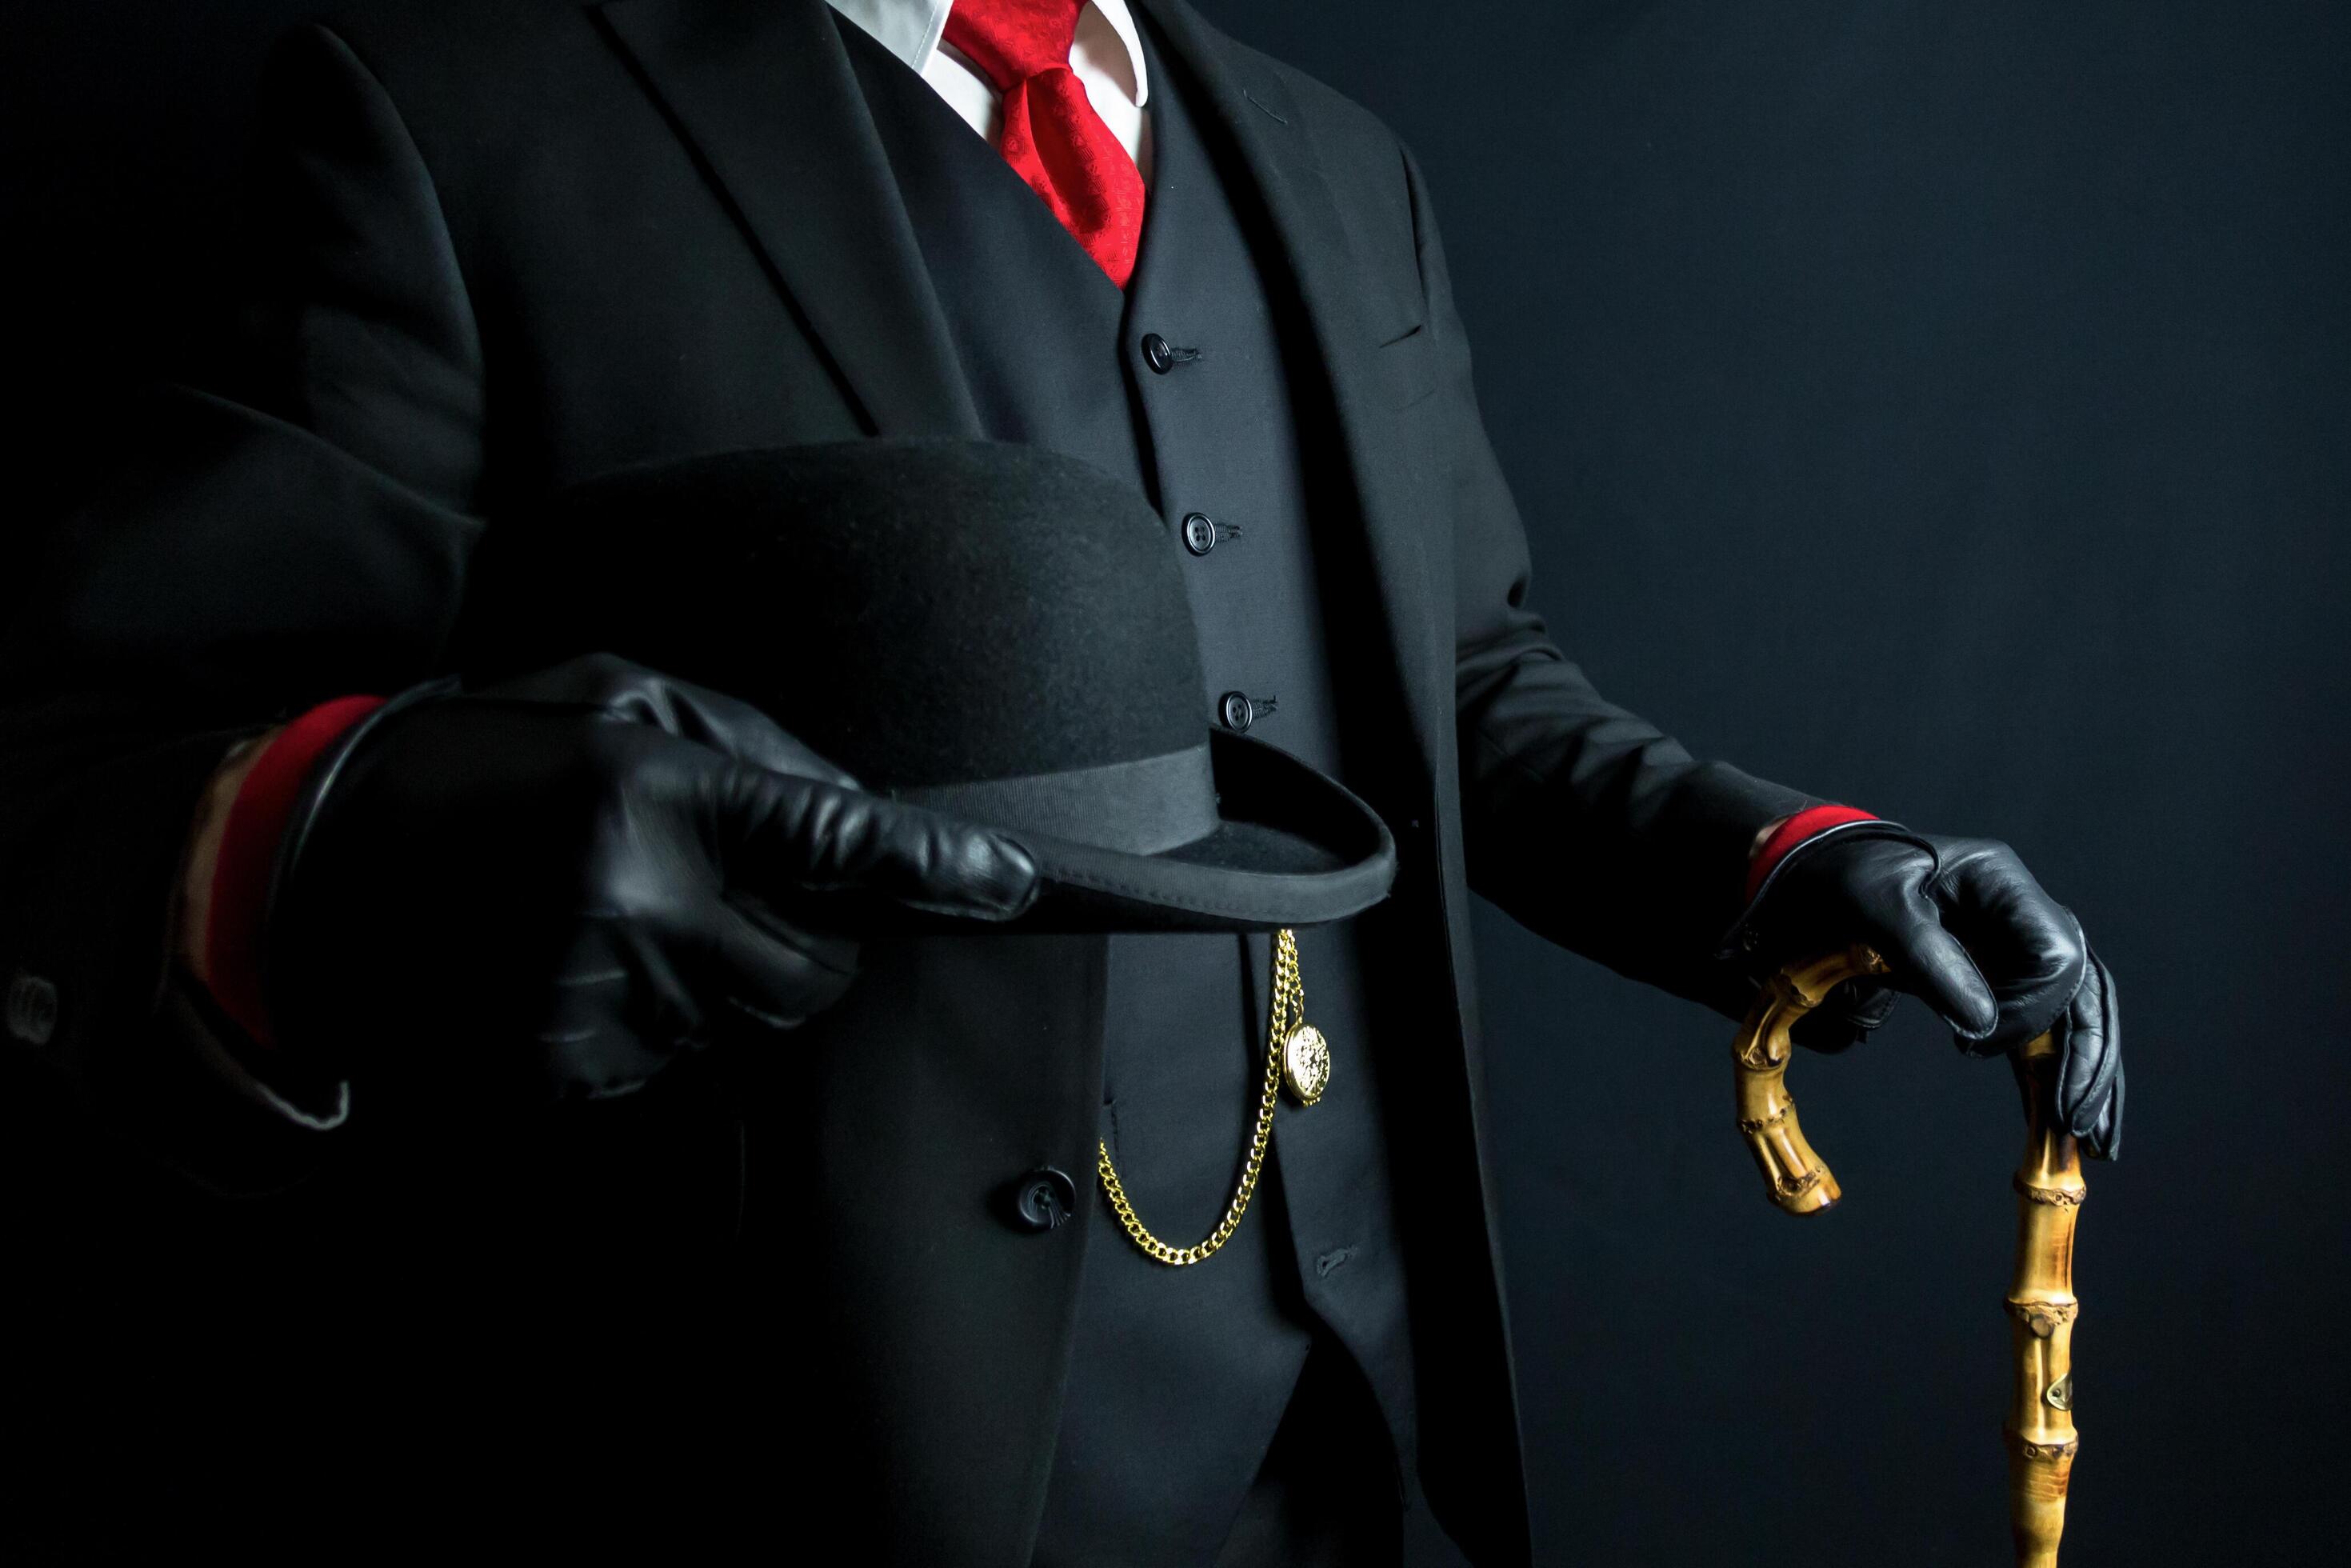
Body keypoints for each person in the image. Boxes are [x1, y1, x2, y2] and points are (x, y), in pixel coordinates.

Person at [0, 1, 2122, 1562]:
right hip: (796, 1440)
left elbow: (1467, 677)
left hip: (1347, 1423)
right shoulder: (460, 109)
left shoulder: (1335, 163)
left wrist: (1793, 869)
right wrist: (381, 846)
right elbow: (111, 780)